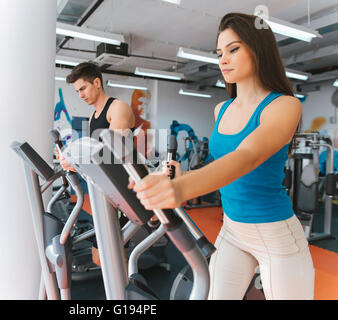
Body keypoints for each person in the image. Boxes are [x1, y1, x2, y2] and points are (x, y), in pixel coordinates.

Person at [128, 12, 315, 300]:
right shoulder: (221, 110)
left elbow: (247, 157)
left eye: (234, 49)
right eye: (219, 53)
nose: (223, 60)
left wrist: (182, 188)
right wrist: (180, 175)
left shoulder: (284, 105)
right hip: (233, 230)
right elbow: (222, 167)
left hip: (276, 235)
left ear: (258, 49)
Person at [55, 61, 135, 266]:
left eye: (83, 88)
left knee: (110, 255)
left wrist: (77, 162)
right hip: (105, 191)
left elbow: (109, 155)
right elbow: (92, 153)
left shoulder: (118, 108)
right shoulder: (93, 117)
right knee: (100, 256)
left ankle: (125, 290)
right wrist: (70, 160)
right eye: (77, 91)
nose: (80, 94)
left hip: (123, 191)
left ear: (97, 82)